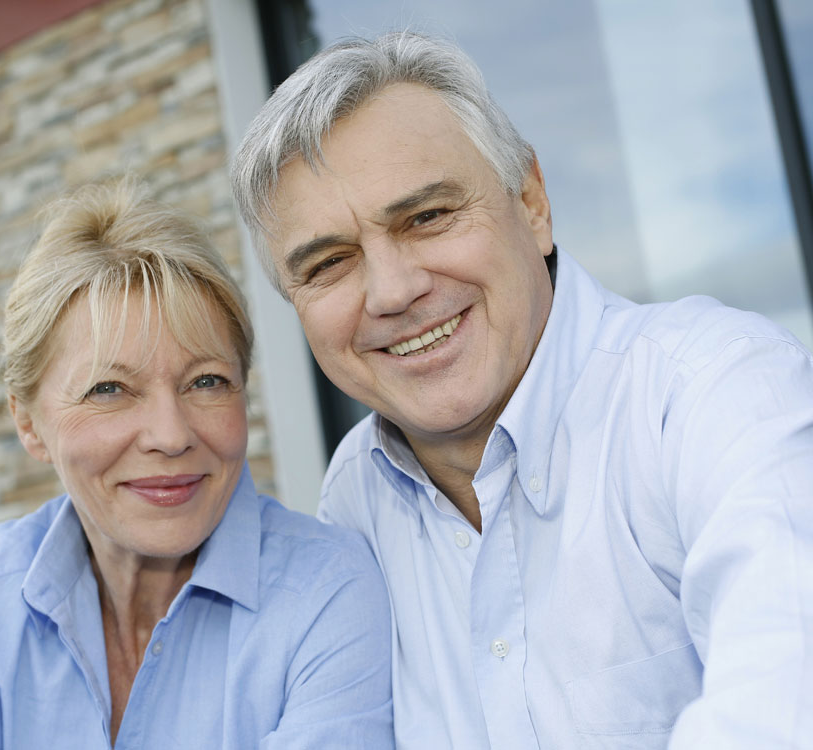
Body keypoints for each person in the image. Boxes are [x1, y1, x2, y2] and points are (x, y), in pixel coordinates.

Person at [230, 31, 813, 750]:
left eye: (428, 217)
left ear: (532, 201)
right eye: (327, 263)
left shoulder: (714, 392)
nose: (392, 291)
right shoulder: (354, 501)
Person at [0, 179, 394, 749]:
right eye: (108, 389)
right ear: (29, 424)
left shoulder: (327, 590)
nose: (171, 436)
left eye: (207, 381)